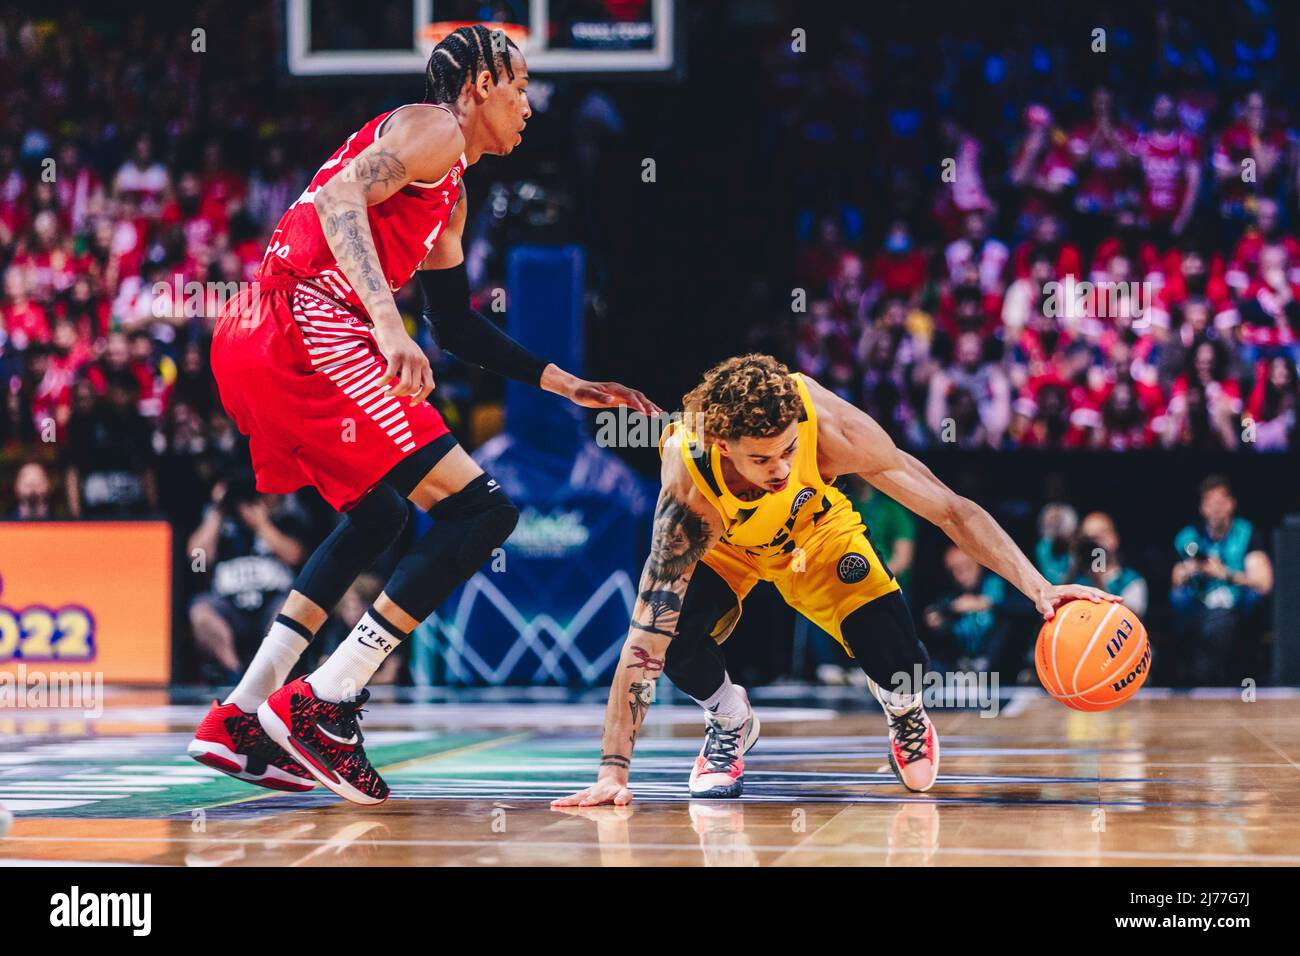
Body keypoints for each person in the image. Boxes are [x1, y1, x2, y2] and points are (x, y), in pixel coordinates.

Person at [188, 25, 656, 804]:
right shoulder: (432, 127)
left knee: (378, 516)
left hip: (258, 335)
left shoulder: (450, 189)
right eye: (520, 87)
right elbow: (342, 199)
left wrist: (562, 383)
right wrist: (384, 320)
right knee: (482, 510)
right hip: (306, 322)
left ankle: (241, 715)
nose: (530, 106)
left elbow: (457, 324)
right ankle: (323, 703)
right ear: (478, 88)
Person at [553, 354, 1117, 805]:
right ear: (722, 444)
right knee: (673, 639)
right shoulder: (688, 486)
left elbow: (949, 509)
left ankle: (904, 711)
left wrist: (1038, 586)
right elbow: (643, 639)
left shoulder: (832, 429)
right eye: (762, 459)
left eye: (787, 451)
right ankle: (730, 719)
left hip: (816, 535)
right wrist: (613, 772)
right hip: (726, 546)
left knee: (903, 662)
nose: (779, 468)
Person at [1171, 475, 1273, 685]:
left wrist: (1224, 574)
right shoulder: (1189, 536)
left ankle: (1222, 678)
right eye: (1209, 503)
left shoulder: (1246, 533)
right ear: (1202, 508)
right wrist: (1191, 570)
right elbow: (1175, 579)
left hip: (1235, 606)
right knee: (1178, 598)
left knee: (1244, 605)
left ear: (1231, 505)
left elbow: (1264, 582)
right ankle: (1186, 675)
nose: (1215, 509)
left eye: (1220, 502)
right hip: (1199, 606)